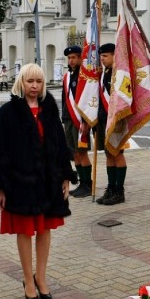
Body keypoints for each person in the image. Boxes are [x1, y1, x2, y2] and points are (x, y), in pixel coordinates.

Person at [0, 63, 76, 299]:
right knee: (26, 231)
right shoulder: (9, 111)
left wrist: (65, 176)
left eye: (39, 81)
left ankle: (42, 277)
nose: (35, 86)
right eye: (30, 81)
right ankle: (28, 279)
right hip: (20, 183)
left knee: (45, 229)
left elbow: (60, 144)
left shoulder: (49, 108)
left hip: (48, 181)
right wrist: (0, 186)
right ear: (21, 83)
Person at [94, 43, 128, 205]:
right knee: (108, 154)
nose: (102, 59)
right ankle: (111, 188)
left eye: (106, 56)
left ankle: (119, 192)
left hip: (116, 121)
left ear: (115, 56)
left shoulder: (119, 74)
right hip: (103, 120)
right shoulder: (104, 73)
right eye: (101, 56)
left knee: (117, 154)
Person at [62, 46, 92, 198]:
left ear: (80, 58)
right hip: (68, 119)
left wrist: (86, 122)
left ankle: (88, 184)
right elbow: (64, 99)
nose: (71, 60)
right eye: (69, 58)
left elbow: (88, 101)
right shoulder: (68, 76)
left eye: (74, 57)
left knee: (82, 152)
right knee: (74, 153)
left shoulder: (84, 76)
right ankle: (82, 183)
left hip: (80, 120)